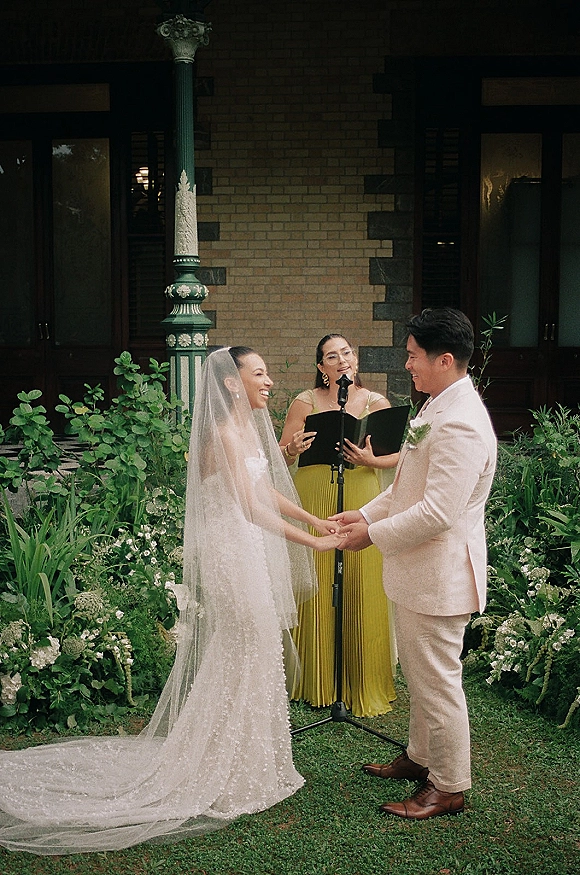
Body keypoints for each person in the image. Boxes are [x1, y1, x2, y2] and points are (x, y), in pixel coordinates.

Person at [0, 346, 345, 855]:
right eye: (260, 373)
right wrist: (314, 542)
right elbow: (248, 506)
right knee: (244, 643)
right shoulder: (223, 433)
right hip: (231, 547)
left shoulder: (250, 426)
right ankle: (221, 764)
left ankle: (250, 759)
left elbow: (265, 490)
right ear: (232, 383)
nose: (269, 381)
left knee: (254, 645)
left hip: (249, 545)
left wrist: (314, 520)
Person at [334, 309, 497, 819]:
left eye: (412, 356)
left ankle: (447, 785)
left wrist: (370, 535)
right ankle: (421, 757)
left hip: (441, 575)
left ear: (444, 360)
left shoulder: (462, 424)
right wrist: (362, 512)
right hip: (417, 572)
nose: (406, 365)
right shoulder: (435, 409)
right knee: (422, 675)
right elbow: (408, 488)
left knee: (437, 681)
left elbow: (438, 513)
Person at [279, 334, 399, 718]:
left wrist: (370, 459)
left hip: (362, 493)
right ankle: (315, 679)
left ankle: (361, 680)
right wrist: (292, 450)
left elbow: (402, 455)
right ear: (321, 367)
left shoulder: (377, 403)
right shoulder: (305, 401)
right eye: (332, 355)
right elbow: (279, 456)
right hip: (313, 493)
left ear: (355, 360)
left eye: (347, 353)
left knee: (361, 580)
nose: (342, 359)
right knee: (317, 579)